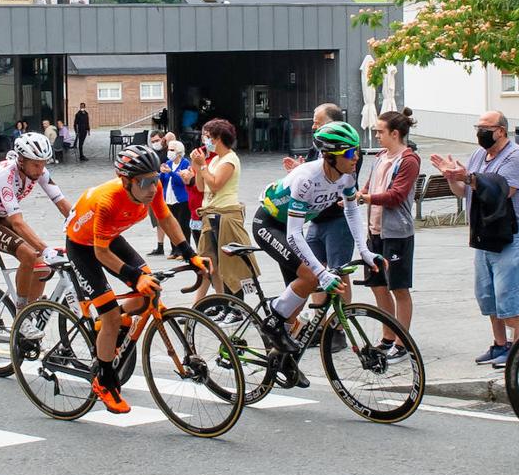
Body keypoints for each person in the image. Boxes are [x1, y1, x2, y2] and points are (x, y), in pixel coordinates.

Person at [65, 144, 200, 414]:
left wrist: (189, 254)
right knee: (114, 314)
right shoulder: (108, 200)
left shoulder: (153, 188)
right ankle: (104, 380)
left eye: (156, 178)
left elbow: (167, 218)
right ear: (126, 182)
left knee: (149, 291)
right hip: (83, 246)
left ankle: (109, 323)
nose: (153, 187)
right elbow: (100, 253)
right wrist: (134, 276)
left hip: (111, 237)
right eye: (146, 182)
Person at [252, 122, 380, 359]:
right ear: (330, 156)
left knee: (299, 299)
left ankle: (281, 361)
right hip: (270, 225)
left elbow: (351, 211)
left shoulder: (347, 176)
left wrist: (365, 251)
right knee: (311, 276)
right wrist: (321, 273)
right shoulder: (307, 179)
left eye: (358, 151)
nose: (357, 158)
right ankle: (273, 318)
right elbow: (293, 234)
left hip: (291, 230)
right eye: (350, 153)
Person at [431, 110, 519, 369]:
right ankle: (499, 344)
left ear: (500, 130)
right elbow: (465, 190)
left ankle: (516, 349)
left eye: (485, 127)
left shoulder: (516, 156)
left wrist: (467, 178)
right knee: (488, 294)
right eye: (478, 126)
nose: (480, 132)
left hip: (513, 232)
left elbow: (503, 191)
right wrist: (452, 178)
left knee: (508, 293)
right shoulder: (479, 155)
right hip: (484, 232)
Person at [0, 133, 72, 320]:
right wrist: (46, 249)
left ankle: (31, 309)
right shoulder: (6, 174)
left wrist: (82, 223)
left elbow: (61, 202)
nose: (41, 170)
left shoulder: (38, 171)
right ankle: (21, 314)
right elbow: (17, 222)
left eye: (44, 164)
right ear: (21, 160)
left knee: (44, 266)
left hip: (2, 216)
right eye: (36, 164)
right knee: (29, 254)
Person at [284, 103, 362, 321]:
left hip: (337, 221)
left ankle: (339, 326)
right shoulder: (316, 150)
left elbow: (342, 184)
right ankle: (319, 324)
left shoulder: (348, 151)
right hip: (316, 220)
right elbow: (312, 177)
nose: (313, 126)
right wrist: (297, 172)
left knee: (338, 274)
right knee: (313, 272)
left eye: (317, 122)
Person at [358, 109, 420, 363]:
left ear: (395, 133)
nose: (376, 135)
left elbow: (396, 195)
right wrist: (358, 196)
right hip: (374, 231)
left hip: (396, 233)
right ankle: (387, 337)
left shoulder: (408, 160)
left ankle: (402, 343)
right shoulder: (381, 157)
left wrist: (366, 198)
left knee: (399, 288)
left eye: (380, 131)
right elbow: (369, 185)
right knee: (378, 286)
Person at [190, 119, 249, 306]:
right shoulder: (214, 159)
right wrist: (197, 166)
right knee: (212, 263)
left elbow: (216, 185)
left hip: (225, 215)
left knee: (229, 265)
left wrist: (203, 166)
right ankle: (221, 303)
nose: (204, 140)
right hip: (211, 214)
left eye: (207, 137)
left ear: (218, 138)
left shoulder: (230, 159)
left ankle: (236, 308)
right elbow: (201, 187)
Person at [158, 140, 191, 250]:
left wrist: (170, 172)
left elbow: (182, 181)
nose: (169, 152)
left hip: (182, 200)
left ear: (179, 152)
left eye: (172, 150)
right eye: (168, 149)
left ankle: (185, 249)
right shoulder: (168, 163)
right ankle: (175, 250)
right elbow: (162, 182)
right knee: (171, 226)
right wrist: (162, 173)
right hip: (169, 199)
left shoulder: (185, 163)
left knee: (183, 225)